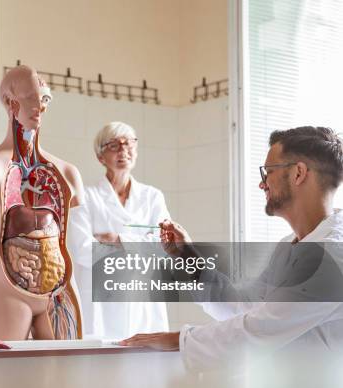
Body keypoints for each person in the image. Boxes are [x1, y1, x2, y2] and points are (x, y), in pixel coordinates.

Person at [120, 126, 343, 371]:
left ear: (298, 173)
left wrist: (179, 339)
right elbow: (245, 305)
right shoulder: (289, 245)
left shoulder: (331, 253)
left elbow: (262, 327)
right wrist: (188, 256)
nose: (262, 184)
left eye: (267, 172)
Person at [0, 65, 84, 340]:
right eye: (31, 98)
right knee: (4, 378)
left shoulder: (67, 173)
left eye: (44, 99)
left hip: (58, 288)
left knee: (66, 379)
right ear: (11, 103)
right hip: (5, 289)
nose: (40, 108)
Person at [67, 121, 170, 339]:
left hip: (143, 301)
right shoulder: (85, 198)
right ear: (100, 157)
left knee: (147, 367)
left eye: (129, 143)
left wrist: (118, 239)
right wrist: (140, 246)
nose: (123, 150)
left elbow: (163, 246)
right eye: (113, 145)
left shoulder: (153, 197)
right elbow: (83, 251)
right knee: (100, 369)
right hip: (102, 305)